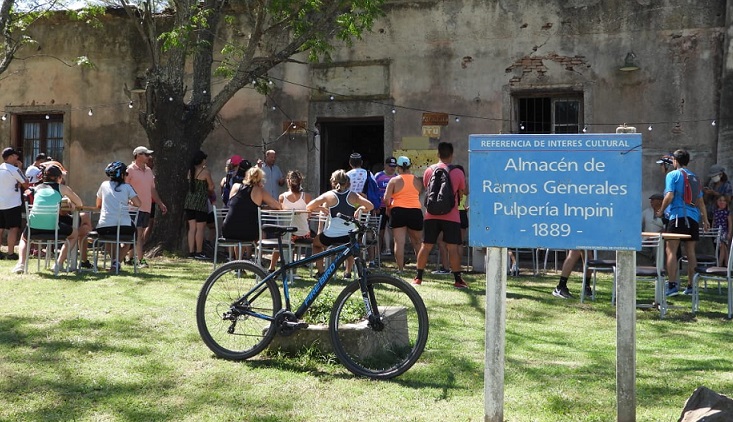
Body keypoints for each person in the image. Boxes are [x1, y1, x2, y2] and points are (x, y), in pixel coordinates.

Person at [412, 142, 467, 288]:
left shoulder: (429, 170)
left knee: (426, 245)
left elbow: (427, 188)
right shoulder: (457, 172)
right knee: (452, 248)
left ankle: (418, 277)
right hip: (452, 215)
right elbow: (462, 192)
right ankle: (457, 280)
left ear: (438, 154)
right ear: (452, 154)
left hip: (431, 215)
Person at [657, 149, 709, 296]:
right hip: (693, 218)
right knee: (691, 252)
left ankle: (672, 285)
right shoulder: (695, 178)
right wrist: (705, 220)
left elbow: (669, 195)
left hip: (678, 217)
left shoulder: (672, 175)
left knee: (671, 250)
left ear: (675, 160)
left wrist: (661, 211)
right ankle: (691, 286)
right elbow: (700, 201)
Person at [12, 164, 82, 274]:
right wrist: (68, 199)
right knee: (74, 234)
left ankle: (21, 264)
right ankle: (58, 264)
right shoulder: (62, 188)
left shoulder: (36, 188)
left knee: (24, 238)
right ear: (59, 177)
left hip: (34, 226)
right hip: (54, 227)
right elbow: (79, 203)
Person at [306, 169, 374, 278]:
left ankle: (321, 272)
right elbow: (371, 206)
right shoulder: (353, 195)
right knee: (351, 246)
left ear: (333, 182)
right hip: (348, 235)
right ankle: (347, 272)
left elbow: (308, 206)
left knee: (316, 244)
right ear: (347, 182)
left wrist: (320, 208)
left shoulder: (328, 195)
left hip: (331, 235)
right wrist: (360, 208)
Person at [94, 161, 142, 272]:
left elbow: (98, 205)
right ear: (122, 175)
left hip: (104, 226)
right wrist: (128, 202)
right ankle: (116, 262)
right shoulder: (127, 187)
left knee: (108, 239)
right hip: (124, 225)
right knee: (132, 237)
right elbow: (138, 204)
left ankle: (114, 262)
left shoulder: (104, 185)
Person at [126, 146, 168, 268]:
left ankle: (130, 258)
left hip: (146, 207)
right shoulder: (130, 170)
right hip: (133, 209)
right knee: (139, 234)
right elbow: (125, 188)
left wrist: (160, 203)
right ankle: (141, 261)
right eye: (145, 154)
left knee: (138, 234)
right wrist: (128, 202)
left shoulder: (149, 171)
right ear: (138, 155)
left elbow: (152, 189)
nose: (148, 157)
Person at [222, 166, 281, 250]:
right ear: (260, 179)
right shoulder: (259, 190)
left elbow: (238, 204)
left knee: (240, 230)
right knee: (262, 233)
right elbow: (277, 205)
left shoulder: (235, 186)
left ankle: (238, 260)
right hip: (246, 232)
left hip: (228, 229)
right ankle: (258, 259)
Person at [383, 156, 423, 273]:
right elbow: (418, 194)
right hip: (415, 211)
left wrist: (388, 208)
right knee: (417, 241)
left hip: (398, 211)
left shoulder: (394, 180)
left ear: (398, 167)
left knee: (399, 242)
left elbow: (386, 199)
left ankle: (400, 269)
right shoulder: (417, 180)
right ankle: (420, 269)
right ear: (410, 166)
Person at [268, 170, 313, 272]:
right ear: (300, 181)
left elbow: (281, 213)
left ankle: (271, 268)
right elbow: (309, 215)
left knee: (283, 239)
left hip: (287, 233)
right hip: (304, 232)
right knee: (289, 238)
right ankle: (291, 267)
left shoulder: (282, 197)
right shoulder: (307, 197)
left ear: (288, 181)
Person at [184, 150, 215, 260]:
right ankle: (199, 251)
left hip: (189, 202)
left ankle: (191, 252)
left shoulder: (190, 171)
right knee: (200, 229)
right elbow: (211, 187)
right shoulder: (205, 172)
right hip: (200, 203)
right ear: (202, 160)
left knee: (191, 228)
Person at [0, 147, 29, 261]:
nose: (17, 158)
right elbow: (26, 184)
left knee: (0, 228)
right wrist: (20, 169)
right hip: (12, 203)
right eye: (16, 155)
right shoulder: (14, 169)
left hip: (0, 203)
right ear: (11, 157)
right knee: (13, 228)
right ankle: (11, 253)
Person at [374, 157, 397, 256]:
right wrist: (376, 205)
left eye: (394, 166)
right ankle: (377, 253)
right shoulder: (378, 176)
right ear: (385, 166)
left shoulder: (397, 177)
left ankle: (392, 251)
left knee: (395, 230)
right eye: (390, 166)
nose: (392, 169)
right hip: (381, 207)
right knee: (380, 230)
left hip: (394, 207)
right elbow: (374, 191)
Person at [712, 196, 732, 266]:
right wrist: (712, 230)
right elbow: (714, 221)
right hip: (716, 231)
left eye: (724, 201)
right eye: (720, 200)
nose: (722, 202)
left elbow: (730, 223)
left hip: (723, 232)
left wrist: (729, 233)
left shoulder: (727, 212)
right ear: (717, 202)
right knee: (724, 248)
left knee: (722, 247)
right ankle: (727, 264)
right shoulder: (715, 211)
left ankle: (719, 264)